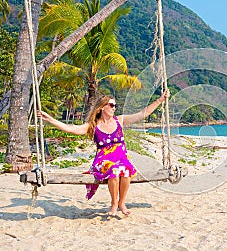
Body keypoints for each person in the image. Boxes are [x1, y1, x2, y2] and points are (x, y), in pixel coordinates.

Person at [38, 89, 169, 216]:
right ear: (102, 107)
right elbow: (71, 129)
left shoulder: (120, 120)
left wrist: (160, 100)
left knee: (125, 169)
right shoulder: (93, 125)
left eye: (115, 105)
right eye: (111, 105)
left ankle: (121, 203)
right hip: (103, 161)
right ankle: (113, 203)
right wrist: (50, 119)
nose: (114, 108)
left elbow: (142, 114)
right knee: (115, 170)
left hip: (121, 158)